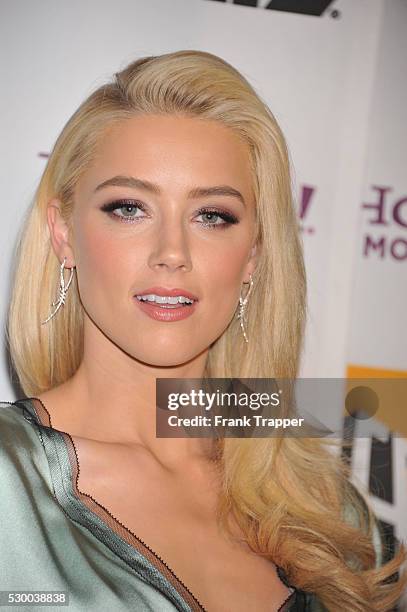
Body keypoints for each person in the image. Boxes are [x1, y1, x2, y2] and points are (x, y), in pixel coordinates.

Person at [1, 49, 406, 612]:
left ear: (253, 257)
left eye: (212, 216)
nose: (173, 253)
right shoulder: (8, 484)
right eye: (130, 208)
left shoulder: (323, 504)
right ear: (64, 233)